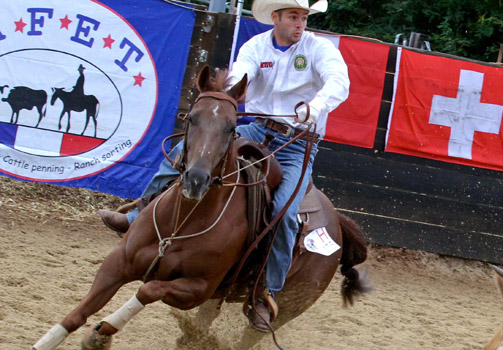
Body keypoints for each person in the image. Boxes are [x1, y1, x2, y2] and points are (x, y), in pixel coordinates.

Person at [98, 0, 349, 332]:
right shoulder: (255, 46)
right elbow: (243, 74)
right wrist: (230, 93)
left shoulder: (319, 50)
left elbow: (339, 81)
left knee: (285, 213)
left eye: (303, 17)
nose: (300, 23)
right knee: (183, 153)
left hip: (296, 143)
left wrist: (316, 107)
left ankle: (265, 292)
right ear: (275, 18)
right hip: (254, 129)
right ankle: (136, 214)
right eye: (293, 16)